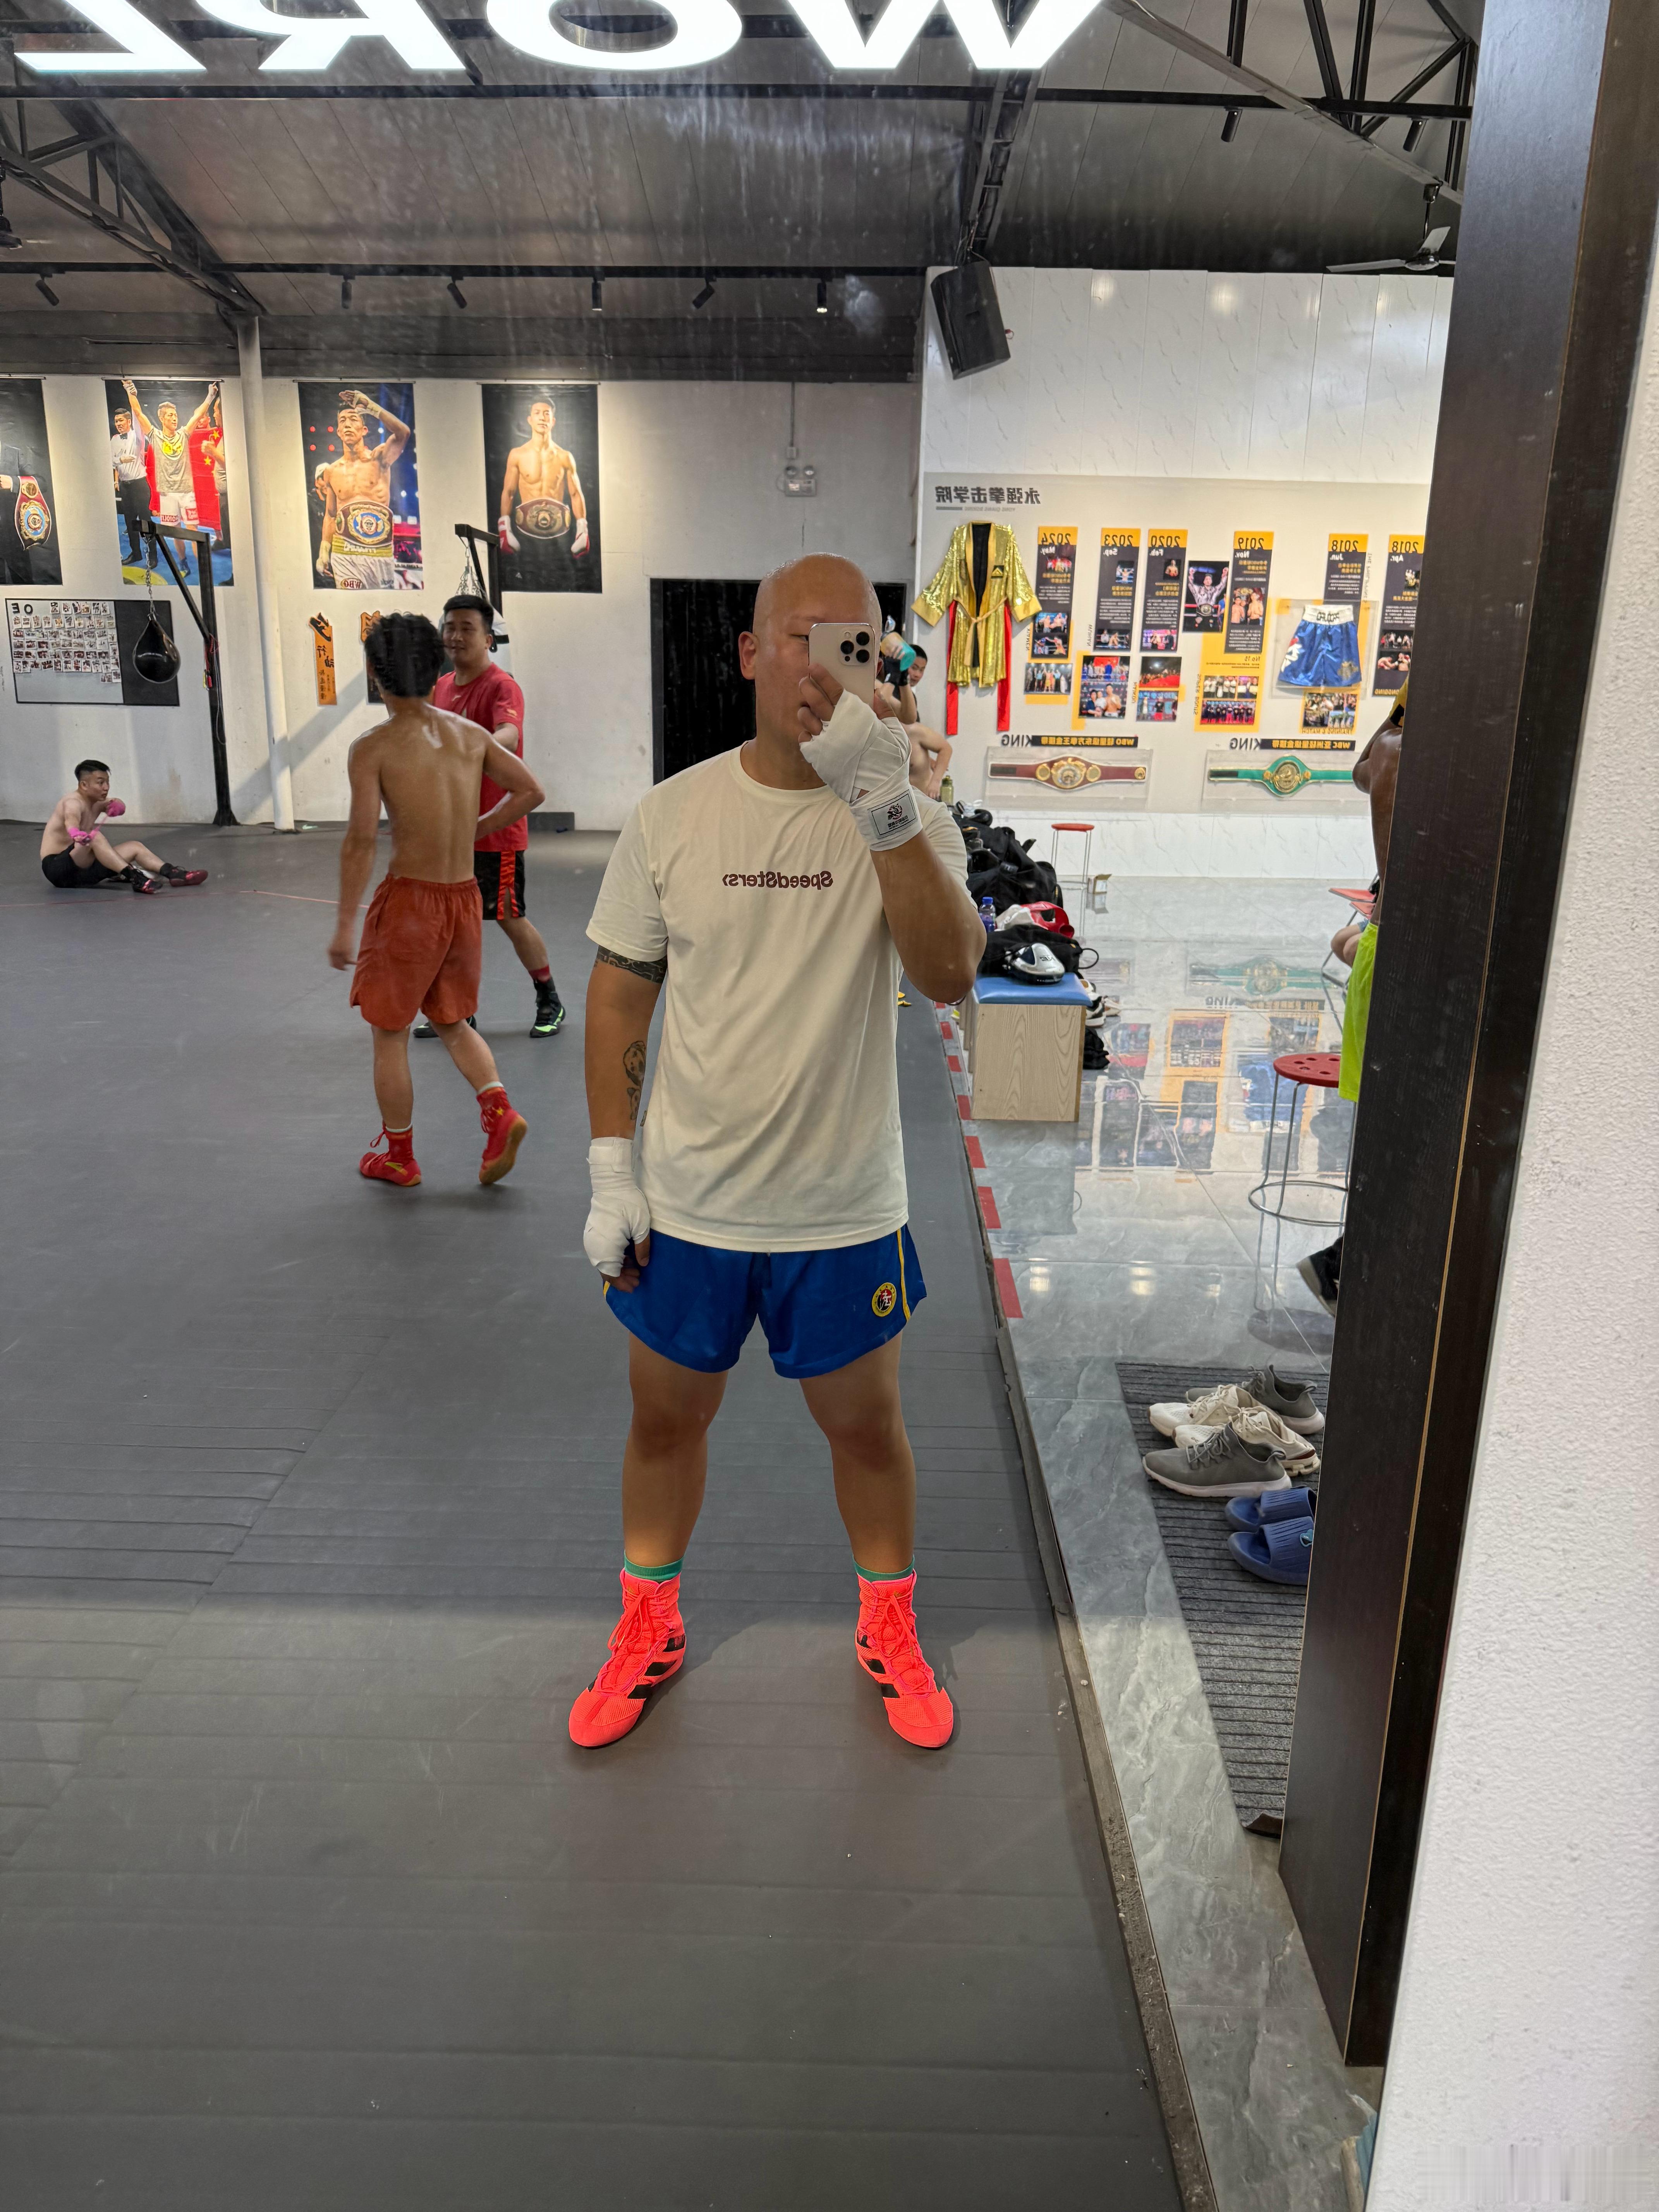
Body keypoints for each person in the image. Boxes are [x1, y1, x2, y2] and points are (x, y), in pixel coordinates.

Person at [572, 553, 984, 1754]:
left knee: (866, 1427)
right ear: (751, 652)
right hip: (691, 1200)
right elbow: (619, 994)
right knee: (663, 1418)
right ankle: (648, 1623)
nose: (823, 666)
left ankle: (888, 1624)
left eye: (855, 645)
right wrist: (610, 1170)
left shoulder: (904, 812)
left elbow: (949, 975)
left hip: (841, 1203)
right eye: (802, 638)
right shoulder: (673, 814)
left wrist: (885, 800)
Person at [328, 614, 544, 1190]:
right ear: (436, 669)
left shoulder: (373, 747)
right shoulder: (468, 735)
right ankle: (499, 1112)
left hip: (410, 905)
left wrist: (345, 925)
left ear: (374, 674)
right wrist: (477, 829)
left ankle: (399, 1157)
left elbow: (361, 842)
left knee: (389, 1032)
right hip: (463, 899)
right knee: (451, 1020)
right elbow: (531, 790)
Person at [1297, 682, 1407, 1317]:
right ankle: (1349, 1268)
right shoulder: (1413, 752)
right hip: (1402, 950)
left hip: (1383, 943)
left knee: (1387, 1133)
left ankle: (1346, 1265)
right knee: (1397, 1136)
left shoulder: (1389, 746)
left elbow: (1361, 769)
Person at [414, 594, 564, 1040]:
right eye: (450, 628)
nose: (457, 636)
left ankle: (549, 998)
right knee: (451, 923)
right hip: (451, 833)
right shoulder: (441, 688)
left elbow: (509, 735)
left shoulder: (502, 686)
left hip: (496, 831)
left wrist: (471, 745)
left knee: (509, 918)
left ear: (489, 639)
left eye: (468, 629)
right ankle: (459, 1009)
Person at [40, 759, 207, 894]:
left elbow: (116, 804)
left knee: (134, 847)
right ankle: (135, 877)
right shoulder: (73, 802)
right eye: (100, 783)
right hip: (58, 869)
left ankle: (174, 874)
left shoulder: (96, 802)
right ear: (84, 785)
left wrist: (119, 805)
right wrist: (74, 832)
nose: (106, 788)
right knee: (95, 837)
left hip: (83, 872)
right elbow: (71, 819)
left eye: (107, 782)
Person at [317, 390, 410, 589]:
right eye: (343, 421)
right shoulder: (332, 471)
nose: (347, 424)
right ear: (339, 432)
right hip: (344, 552)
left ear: (364, 430)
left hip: (379, 551)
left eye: (353, 420)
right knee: (350, 604)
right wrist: (324, 550)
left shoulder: (380, 459)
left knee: (381, 606)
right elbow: (331, 515)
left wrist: (372, 408)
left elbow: (403, 433)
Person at [498, 396, 589, 559]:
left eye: (547, 414)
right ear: (530, 420)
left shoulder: (565, 457)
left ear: (553, 421)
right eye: (537, 413)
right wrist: (504, 528)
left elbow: (576, 494)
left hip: (559, 536)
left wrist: (583, 530)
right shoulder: (518, 455)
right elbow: (509, 492)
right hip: (525, 535)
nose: (542, 418)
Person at [122, 378, 215, 533]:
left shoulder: (184, 434)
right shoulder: (155, 436)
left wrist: (210, 396)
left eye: (176, 415)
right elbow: (138, 413)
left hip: (186, 491)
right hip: (167, 494)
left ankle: (197, 551)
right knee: (174, 531)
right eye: (170, 415)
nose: (174, 418)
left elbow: (198, 416)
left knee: (193, 529)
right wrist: (129, 389)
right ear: (162, 419)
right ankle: (181, 552)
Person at [109, 406, 150, 567]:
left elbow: (138, 416)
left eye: (121, 420)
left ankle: (153, 555)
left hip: (140, 484)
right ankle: (136, 554)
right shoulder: (114, 440)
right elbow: (110, 461)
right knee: (130, 523)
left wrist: (132, 396)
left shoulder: (137, 435)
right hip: (125, 487)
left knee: (146, 522)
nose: (118, 424)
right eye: (116, 421)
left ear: (129, 422)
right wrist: (120, 460)